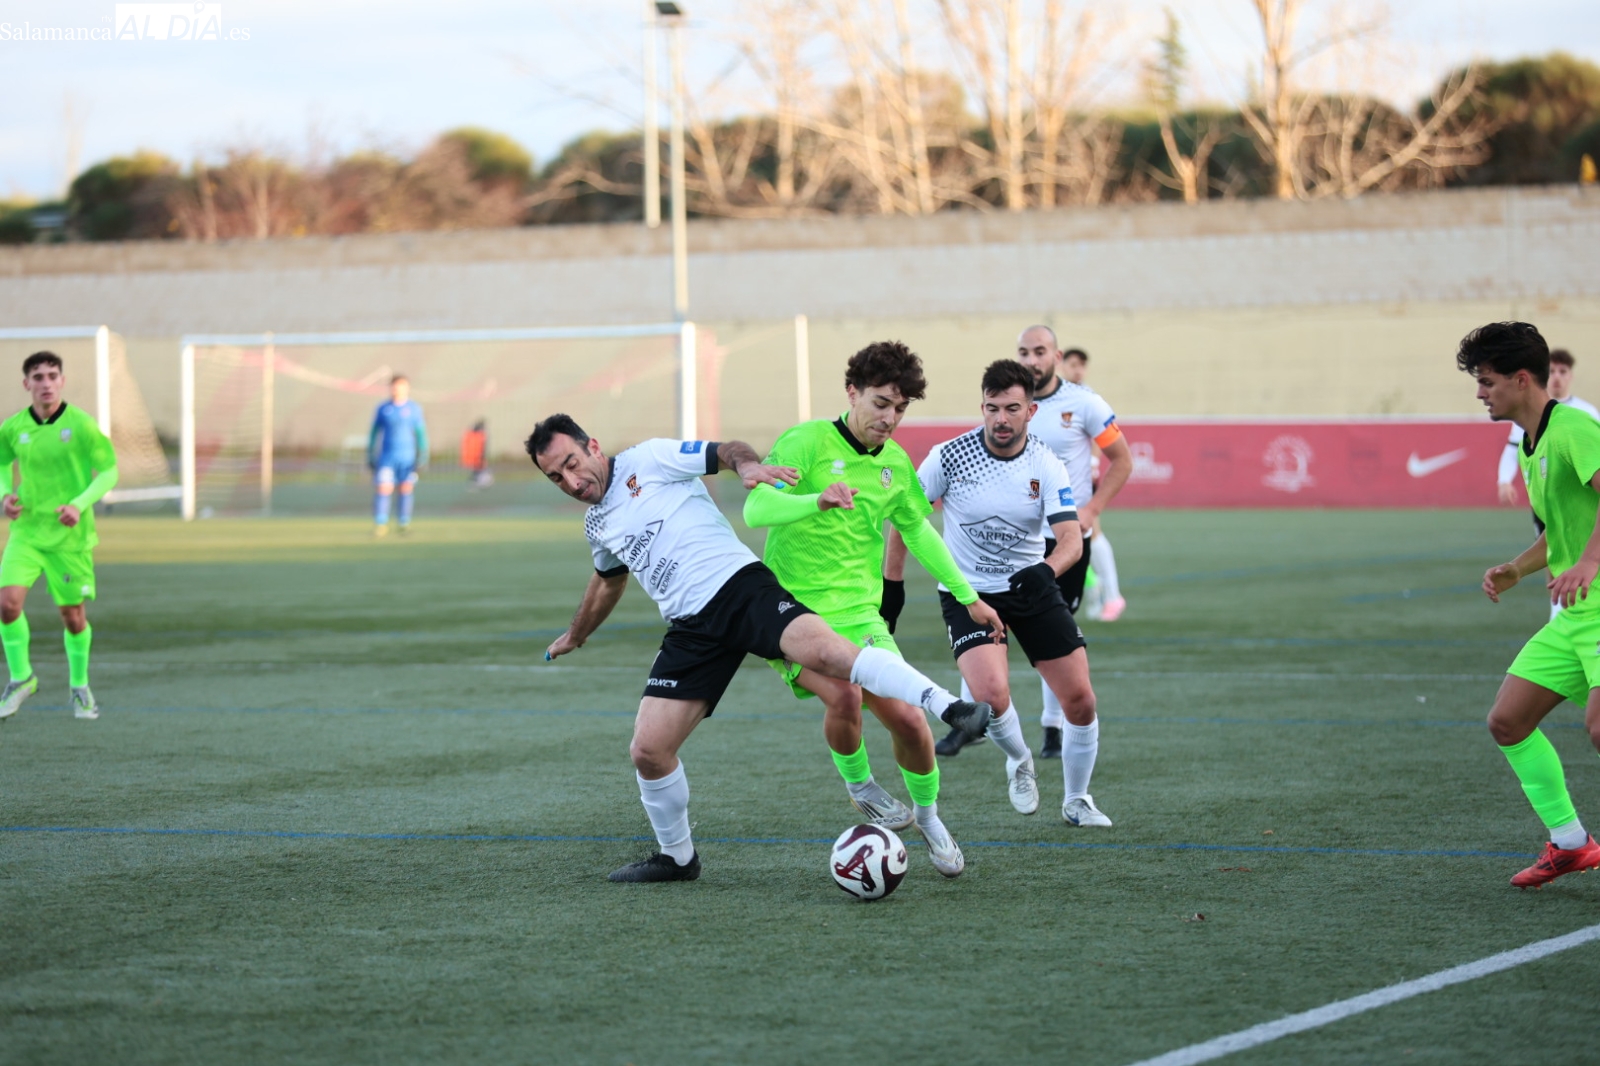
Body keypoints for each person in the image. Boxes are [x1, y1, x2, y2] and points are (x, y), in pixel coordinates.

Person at [530, 414, 993, 884]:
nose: (570, 481)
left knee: (831, 655)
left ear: (593, 445)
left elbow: (726, 450)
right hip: (691, 629)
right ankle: (678, 859)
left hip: (738, 589)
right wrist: (577, 633)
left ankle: (949, 706)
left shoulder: (647, 459)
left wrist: (747, 468)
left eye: (571, 464)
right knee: (648, 750)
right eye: (555, 477)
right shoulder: (597, 524)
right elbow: (607, 581)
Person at [744, 340, 1007, 877]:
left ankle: (930, 820)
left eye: (901, 408)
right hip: (792, 613)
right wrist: (814, 500)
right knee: (843, 695)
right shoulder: (806, 441)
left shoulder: (894, 464)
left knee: (910, 721)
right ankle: (860, 786)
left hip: (861, 615)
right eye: (881, 403)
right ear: (852, 393)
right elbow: (756, 507)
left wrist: (969, 597)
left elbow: (918, 531)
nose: (890, 418)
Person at [886, 359, 1112, 826]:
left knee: (1081, 700)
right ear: (982, 407)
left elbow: (1071, 539)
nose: (1001, 419)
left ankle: (1077, 799)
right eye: (992, 408)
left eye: (1012, 408)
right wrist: (893, 586)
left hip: (1031, 587)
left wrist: (1047, 572)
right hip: (968, 593)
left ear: (1031, 411)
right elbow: (904, 522)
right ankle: (1021, 761)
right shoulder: (949, 455)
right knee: (989, 697)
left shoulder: (1046, 463)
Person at [1467, 321, 1600, 888]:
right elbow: (1558, 533)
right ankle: (1570, 845)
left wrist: (1591, 561)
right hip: (1575, 613)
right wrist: (1517, 568)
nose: (1480, 393)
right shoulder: (1529, 442)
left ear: (1522, 380)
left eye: (1487, 381)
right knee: (1508, 721)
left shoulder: (1573, 428)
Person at [978, 326, 1132, 761]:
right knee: (985, 623)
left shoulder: (1084, 403)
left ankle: (1052, 727)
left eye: (1039, 351)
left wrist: (1093, 509)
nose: (1031, 359)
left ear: (1057, 356)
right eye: (1023, 351)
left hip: (1064, 542)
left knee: (1054, 635)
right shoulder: (1007, 407)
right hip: (1012, 540)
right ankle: (975, 721)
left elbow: (1122, 459)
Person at [0, 352, 119, 723]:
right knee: (6, 604)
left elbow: (109, 471)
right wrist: (5, 494)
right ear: (27, 384)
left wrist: (79, 504)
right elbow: (2, 462)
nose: (46, 382)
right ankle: (21, 678)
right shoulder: (13, 427)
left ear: (62, 381)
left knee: (72, 616)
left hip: (70, 538)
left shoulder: (82, 425)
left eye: (53, 375)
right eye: (38, 377)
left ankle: (80, 686)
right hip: (28, 532)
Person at [1498, 349, 1599, 509]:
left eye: (1562, 371)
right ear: (1544, 375)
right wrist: (1504, 481)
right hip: (1544, 499)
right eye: (1552, 371)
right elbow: (1512, 449)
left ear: (1570, 376)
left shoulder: (1587, 412)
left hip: (1579, 498)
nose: (1557, 376)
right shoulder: (1528, 413)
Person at [368, 375, 428, 536]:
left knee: (406, 488)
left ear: (406, 388)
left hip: (407, 457)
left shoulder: (414, 409)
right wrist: (370, 453)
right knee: (383, 488)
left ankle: (404, 523)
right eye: (394, 386)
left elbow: (421, 434)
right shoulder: (383, 408)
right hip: (387, 457)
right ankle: (380, 524)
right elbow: (374, 433)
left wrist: (423, 455)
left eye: (400, 386)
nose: (396, 389)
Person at [461, 419, 492, 487]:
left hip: (477, 455)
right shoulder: (475, 434)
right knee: (477, 467)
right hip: (475, 455)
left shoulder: (479, 435)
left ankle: (480, 479)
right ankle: (477, 479)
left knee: (479, 467)